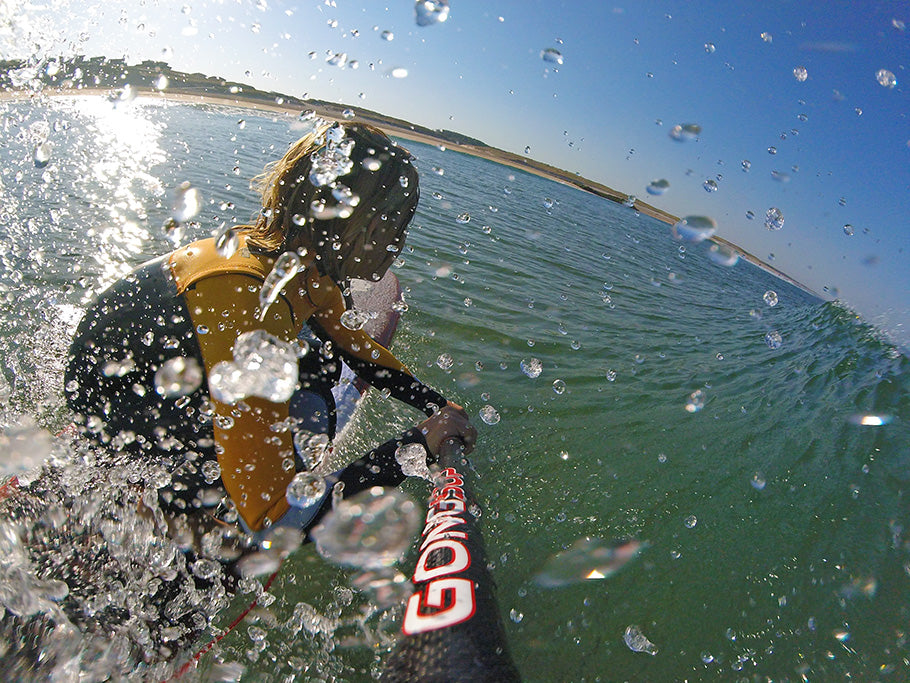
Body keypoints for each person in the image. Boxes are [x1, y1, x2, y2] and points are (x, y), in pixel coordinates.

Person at [63, 121, 460, 535]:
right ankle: (177, 514)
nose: (400, 243)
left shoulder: (300, 266)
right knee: (308, 397)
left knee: (318, 362)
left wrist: (436, 406)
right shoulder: (252, 303)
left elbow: (353, 346)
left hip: (156, 376)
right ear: (365, 227)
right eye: (398, 227)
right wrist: (415, 447)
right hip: (114, 402)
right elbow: (274, 520)